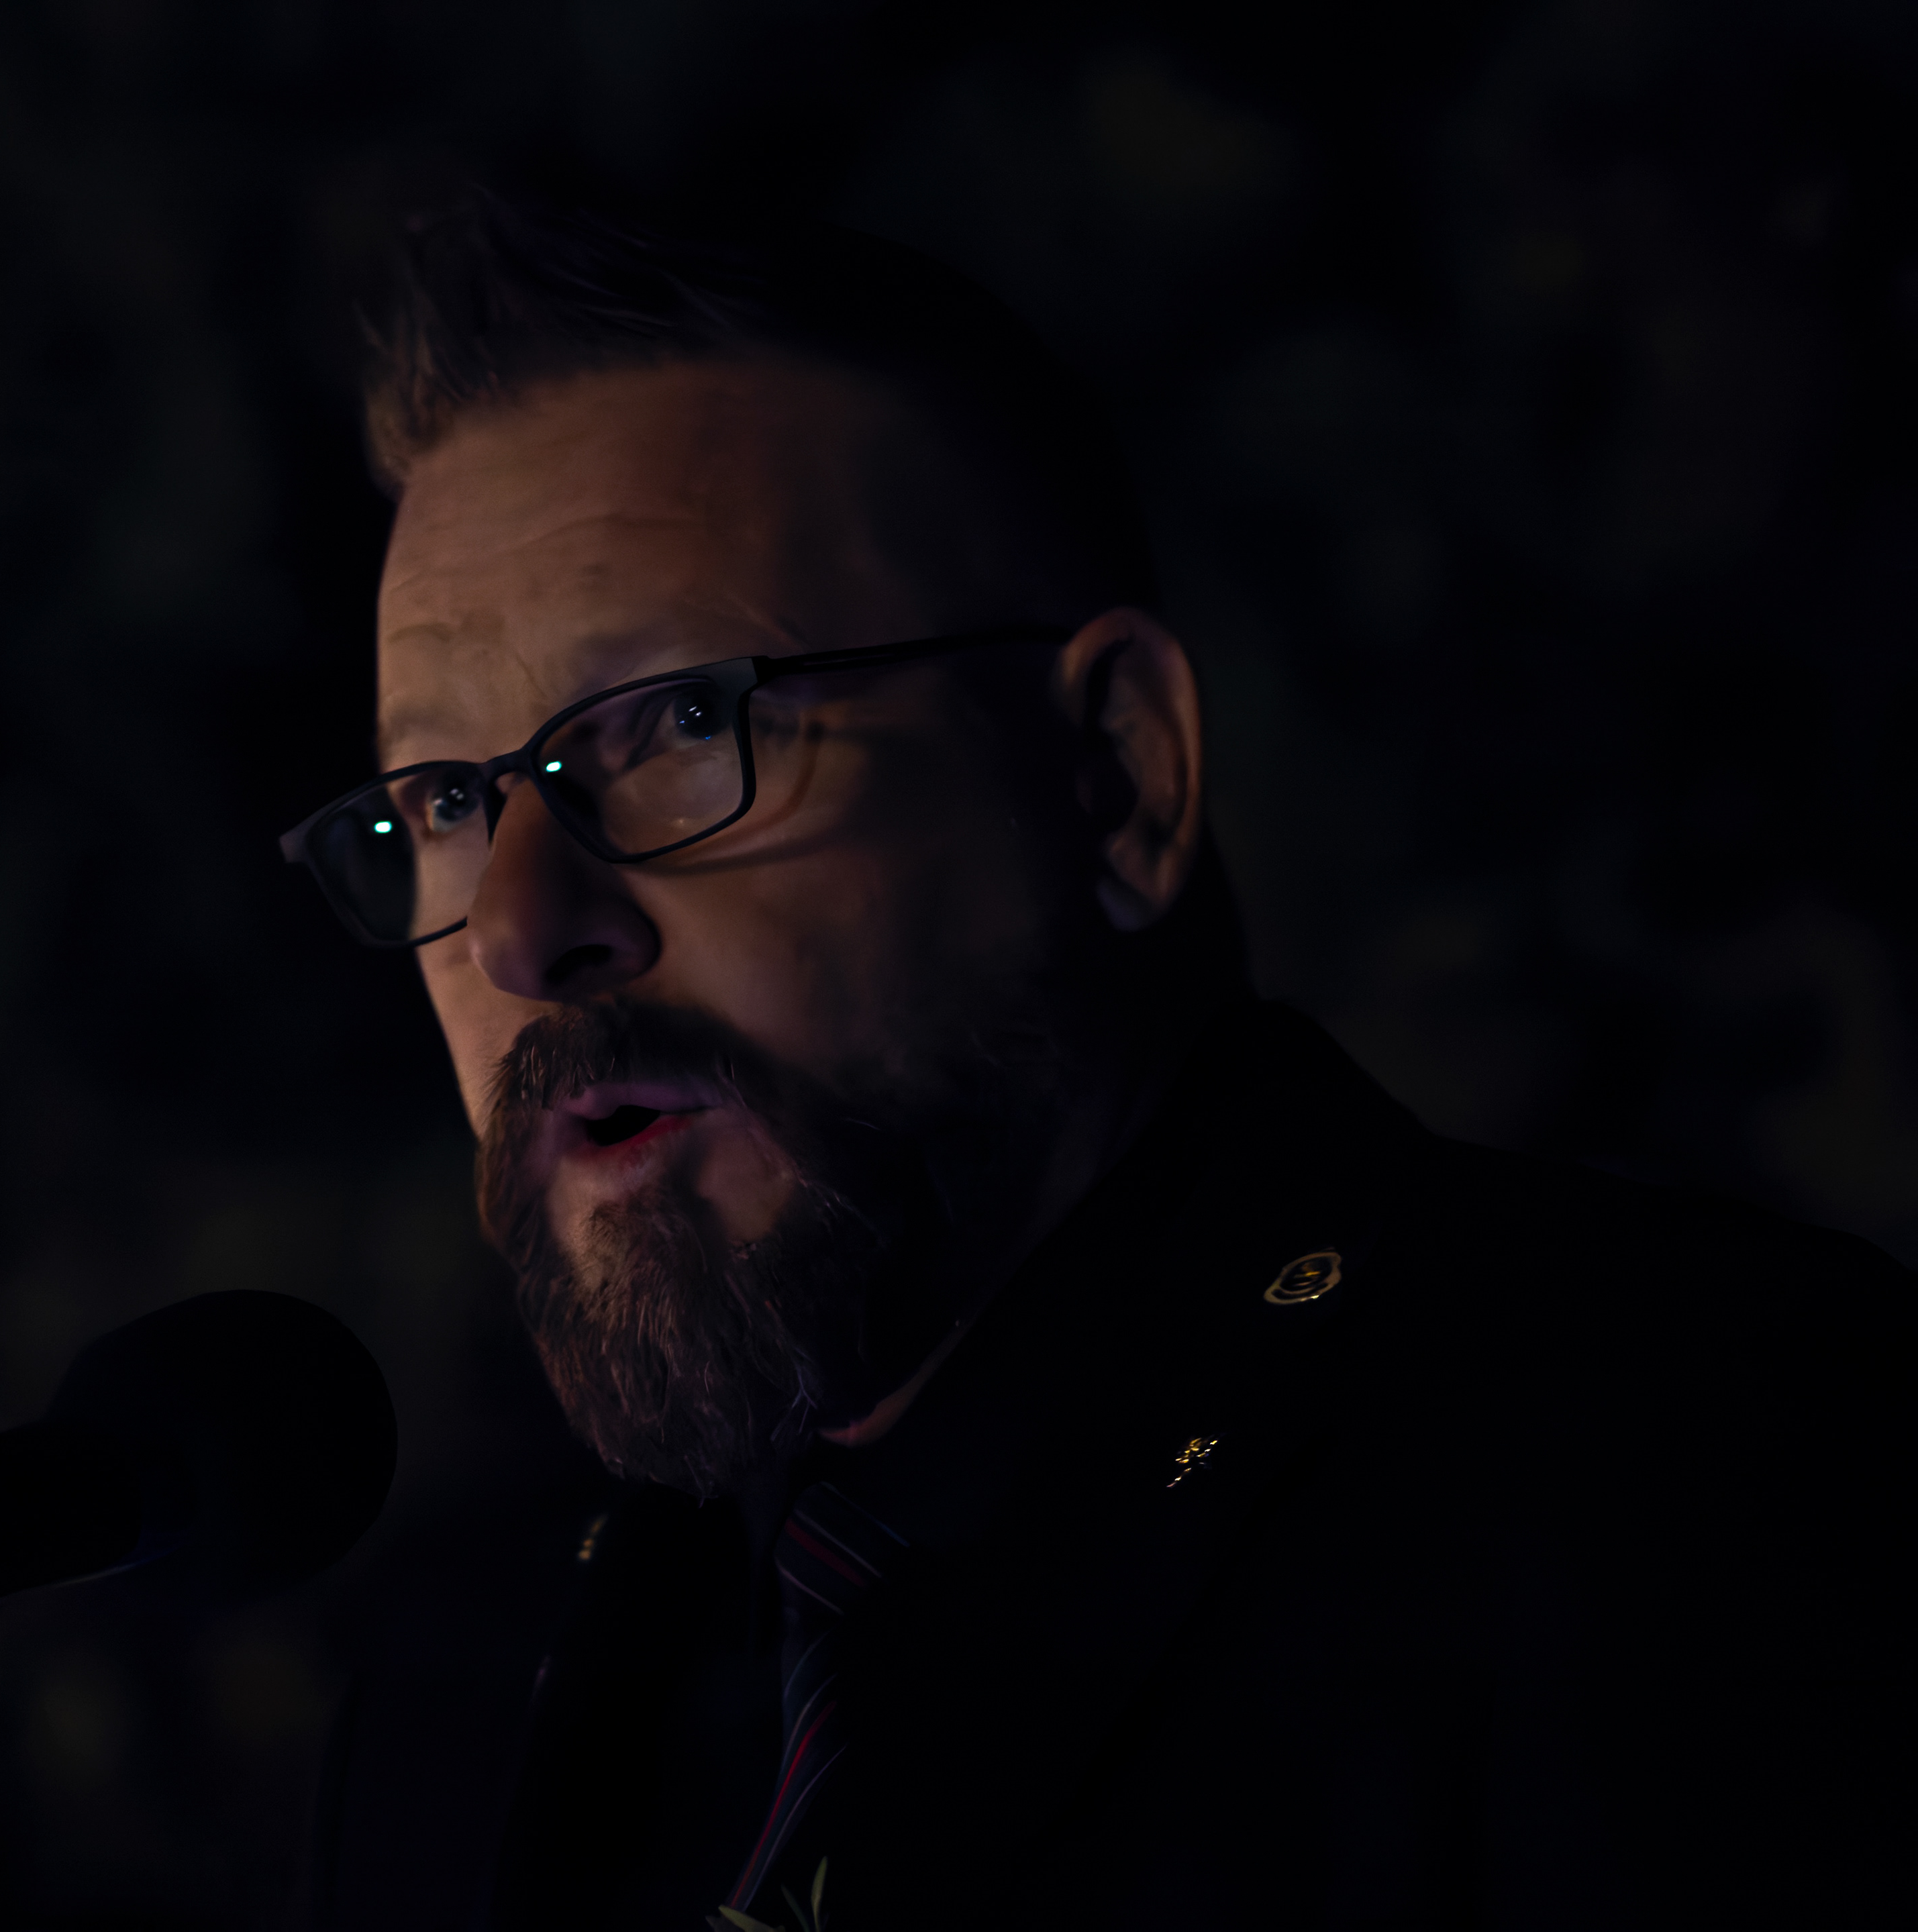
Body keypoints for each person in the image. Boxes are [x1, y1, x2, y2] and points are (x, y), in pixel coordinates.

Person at [287, 193, 1903, 1931]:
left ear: (1116, 774)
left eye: (683, 721)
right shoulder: (461, 1707)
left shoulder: (1721, 1488)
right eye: (444, 803)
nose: (523, 931)